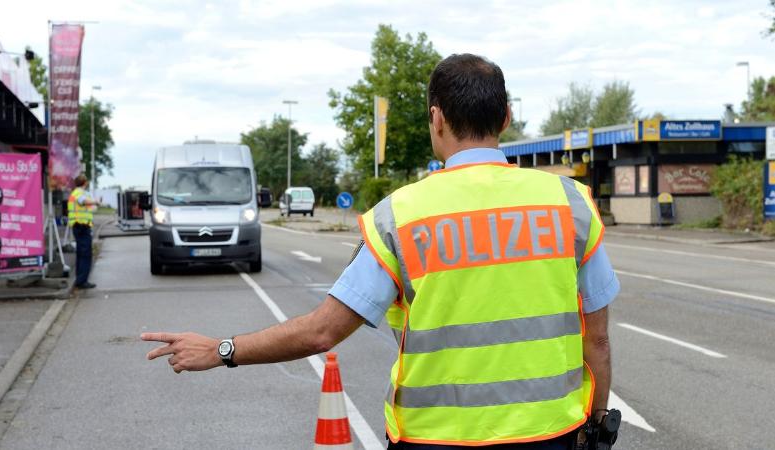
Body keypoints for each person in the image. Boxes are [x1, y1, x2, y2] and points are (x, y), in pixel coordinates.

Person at [142, 54, 619, 449]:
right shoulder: (569, 203)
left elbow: (321, 333)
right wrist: (594, 426)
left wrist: (222, 350)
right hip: (552, 436)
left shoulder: (401, 216)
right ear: (507, 118)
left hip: (436, 440)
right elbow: (595, 342)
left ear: (436, 117)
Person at [68, 174, 96, 289]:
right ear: (85, 182)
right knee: (85, 254)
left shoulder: (75, 192)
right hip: (82, 226)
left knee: (81, 253)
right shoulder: (79, 193)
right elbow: (83, 201)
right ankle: (82, 280)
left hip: (79, 225)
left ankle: (80, 278)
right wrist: (96, 202)